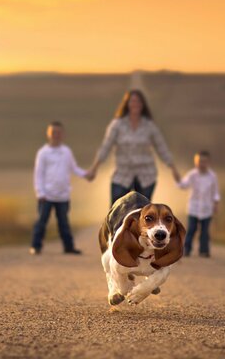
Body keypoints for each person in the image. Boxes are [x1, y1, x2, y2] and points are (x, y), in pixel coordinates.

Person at [87, 89, 179, 204]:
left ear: (142, 105)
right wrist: (94, 168)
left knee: (143, 214)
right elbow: (106, 146)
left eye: (138, 102)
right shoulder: (117, 124)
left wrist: (173, 169)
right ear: (127, 104)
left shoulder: (149, 126)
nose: (135, 104)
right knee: (117, 212)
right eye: (132, 101)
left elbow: (162, 148)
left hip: (146, 175)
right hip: (122, 174)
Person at [30, 121, 88, 255]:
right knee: (41, 222)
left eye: (58, 132)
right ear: (48, 134)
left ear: (62, 134)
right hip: (46, 195)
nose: (56, 135)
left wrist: (86, 175)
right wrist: (40, 192)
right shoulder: (43, 153)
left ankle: (69, 247)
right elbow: (38, 174)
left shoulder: (66, 151)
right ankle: (35, 246)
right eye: (53, 132)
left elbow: (74, 168)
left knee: (64, 223)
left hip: (63, 195)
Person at [175, 151, 220, 258]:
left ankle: (204, 250)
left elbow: (215, 191)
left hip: (207, 208)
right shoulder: (192, 174)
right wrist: (177, 178)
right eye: (199, 161)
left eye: (204, 161)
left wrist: (216, 203)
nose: (202, 164)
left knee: (205, 231)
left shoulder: (212, 176)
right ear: (195, 162)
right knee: (191, 229)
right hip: (193, 207)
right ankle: (186, 249)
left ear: (208, 162)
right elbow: (183, 185)